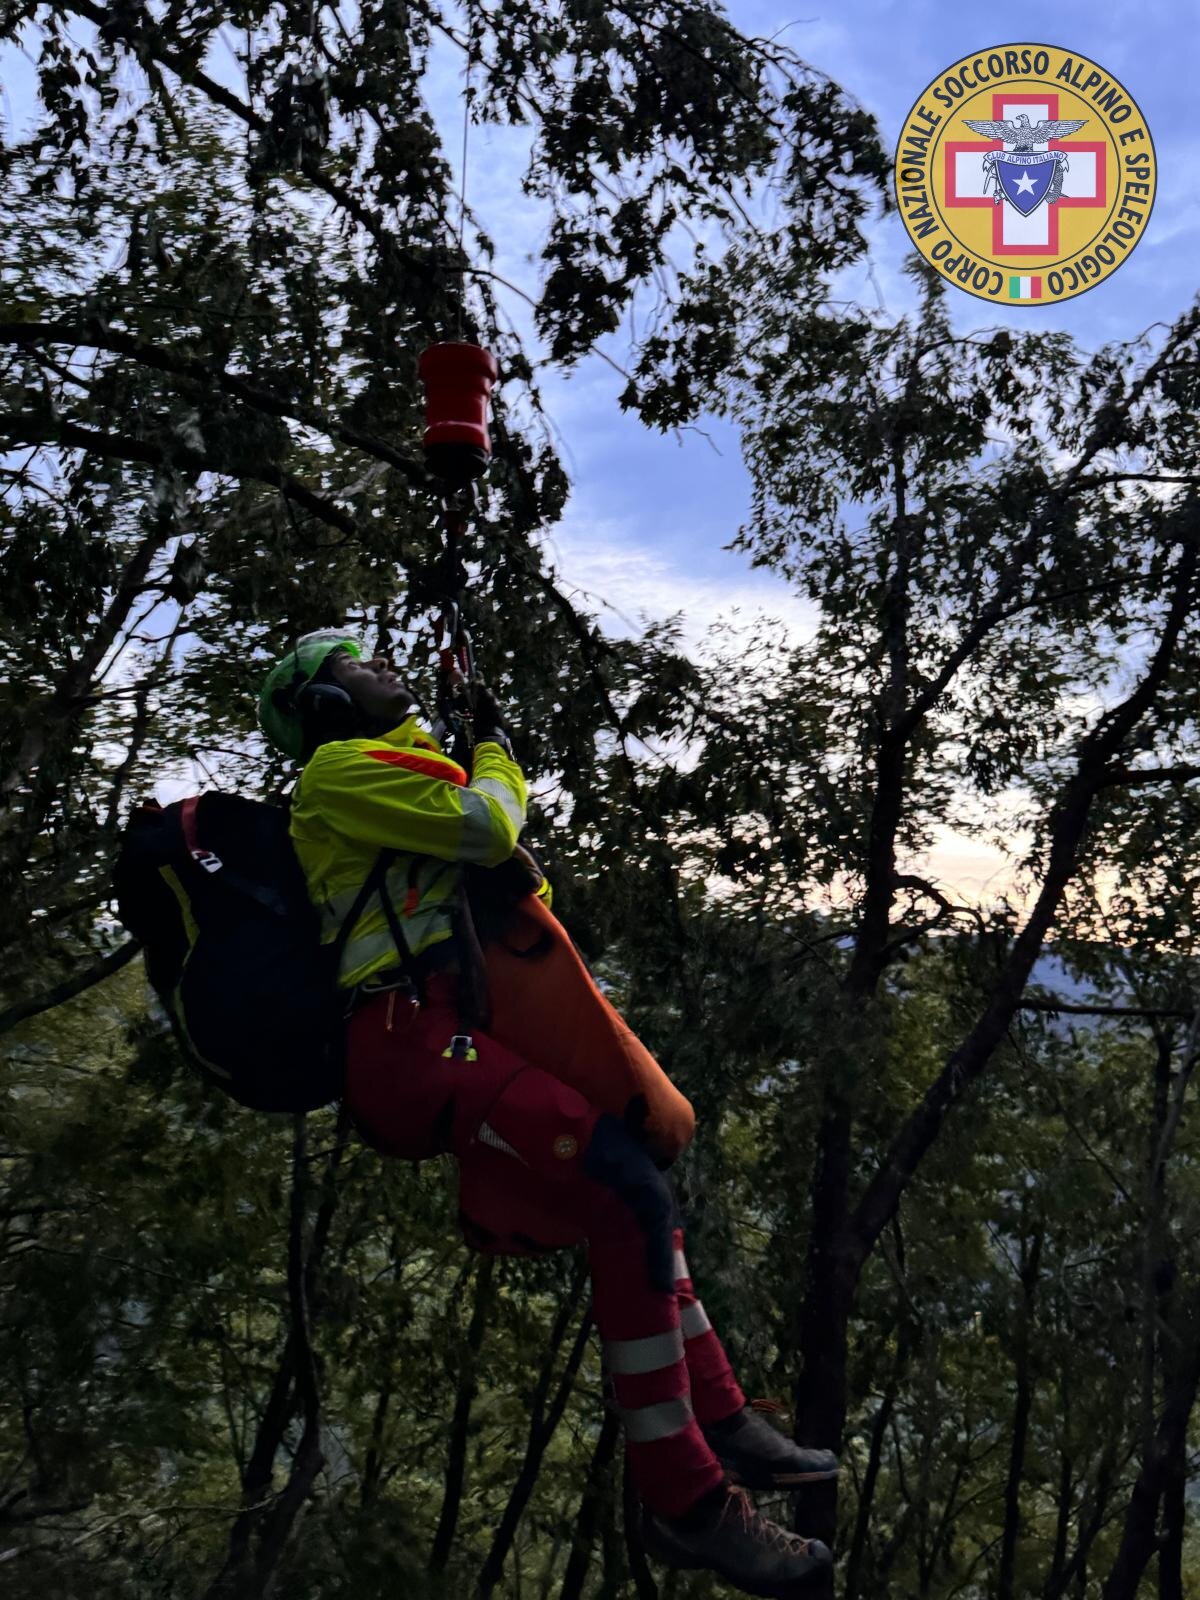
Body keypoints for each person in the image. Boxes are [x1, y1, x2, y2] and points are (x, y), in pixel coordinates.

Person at [257, 628, 838, 1595]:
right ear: (321, 706)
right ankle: (688, 1502)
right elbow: (488, 829)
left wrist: (478, 755)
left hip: (442, 1026)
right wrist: (493, 756)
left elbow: (495, 866)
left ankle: (726, 1422)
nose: (381, 669)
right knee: (627, 1195)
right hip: (406, 1040)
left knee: (638, 1194)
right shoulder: (335, 775)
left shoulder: (382, 777)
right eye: (356, 665)